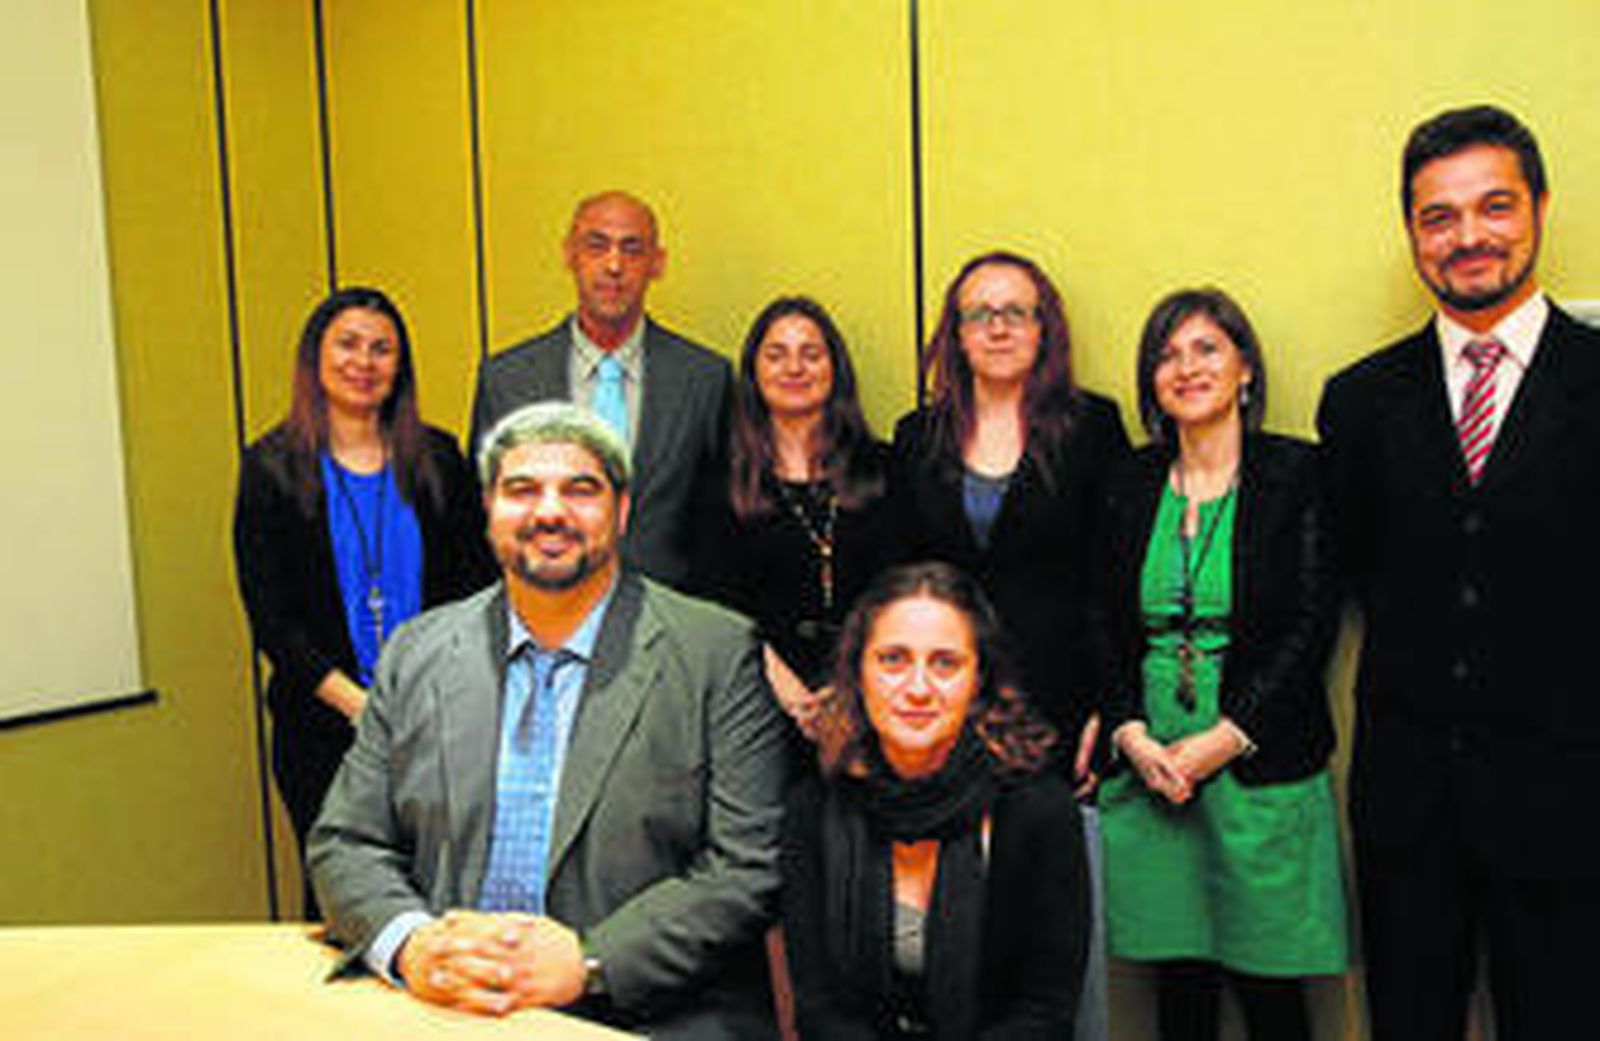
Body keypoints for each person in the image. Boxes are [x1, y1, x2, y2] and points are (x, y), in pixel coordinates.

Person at [308, 401, 791, 1039]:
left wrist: (590, 962)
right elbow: (345, 841)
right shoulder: (416, 653)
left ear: (621, 512)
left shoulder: (715, 652)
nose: (549, 512)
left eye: (580, 489)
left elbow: (746, 865)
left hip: (646, 1014)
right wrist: (413, 944)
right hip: (447, 1011)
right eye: (521, 489)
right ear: (489, 512)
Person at [1317, 104, 1600, 1040]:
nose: (1468, 236)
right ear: (1411, 230)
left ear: (1540, 209)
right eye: (1439, 216)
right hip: (1409, 808)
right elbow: (1349, 573)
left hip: (1570, 805)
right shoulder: (1359, 402)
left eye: (1495, 206)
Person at [1094, 288, 1348, 1041]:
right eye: (1167, 355)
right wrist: (1130, 733)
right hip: (1152, 766)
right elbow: (1100, 620)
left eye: (1206, 348)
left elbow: (1311, 624)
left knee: (1273, 996)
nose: (1186, 367)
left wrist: (1225, 737)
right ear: (1151, 385)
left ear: (1245, 368)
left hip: (1256, 760)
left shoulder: (1297, 474)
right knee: (1181, 992)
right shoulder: (1128, 482)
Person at [890, 250, 1128, 1040]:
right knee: (950, 922)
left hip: (1058, 709)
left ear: (1044, 327)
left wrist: (1110, 703)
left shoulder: (1093, 426)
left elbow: (1115, 577)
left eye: (1015, 311)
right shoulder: (916, 434)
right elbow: (898, 582)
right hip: (938, 712)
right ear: (954, 335)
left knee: (1050, 925)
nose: (996, 327)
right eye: (977, 313)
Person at [232, 286, 492, 916]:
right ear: (315, 358)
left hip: (438, 723)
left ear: (399, 365)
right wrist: (360, 705)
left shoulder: (437, 459)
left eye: (382, 349)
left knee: (439, 900)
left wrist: (430, 699)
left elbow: (475, 587)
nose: (364, 361)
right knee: (343, 906)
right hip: (322, 727)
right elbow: (271, 615)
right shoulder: (271, 467)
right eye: (347, 344)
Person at [781, 561, 1089, 1040]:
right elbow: (818, 1010)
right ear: (858, 672)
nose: (918, 688)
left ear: (979, 679)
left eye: (945, 663)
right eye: (893, 660)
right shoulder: (813, 809)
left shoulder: (1039, 812)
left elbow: (1044, 1013)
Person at [468, 190, 730, 591]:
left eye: (632, 249)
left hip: (669, 627)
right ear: (570, 254)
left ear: (656, 264)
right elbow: (483, 520)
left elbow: (720, 526)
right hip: (542, 618)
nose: (613, 265)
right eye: (597, 246)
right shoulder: (508, 380)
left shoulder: (704, 379)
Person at [707, 296, 894, 739]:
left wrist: (851, 686)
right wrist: (787, 691)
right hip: (756, 696)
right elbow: (717, 604)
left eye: (811, 354)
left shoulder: (885, 467)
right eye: (776, 354)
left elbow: (901, 586)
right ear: (753, 371)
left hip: (875, 694)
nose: (795, 368)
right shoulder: (721, 478)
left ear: (836, 369)